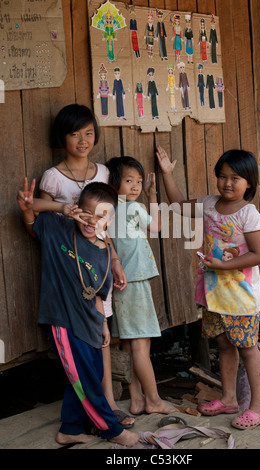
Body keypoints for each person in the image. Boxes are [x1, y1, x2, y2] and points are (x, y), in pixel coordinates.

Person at [16, 178, 139, 447]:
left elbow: (97, 295)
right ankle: (111, 430)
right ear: (77, 208)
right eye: (88, 213)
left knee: (90, 374)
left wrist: (103, 325)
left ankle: (70, 428)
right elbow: (31, 209)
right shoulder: (58, 227)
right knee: (85, 379)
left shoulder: (104, 252)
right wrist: (61, 208)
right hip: (63, 321)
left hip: (89, 323)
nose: (93, 221)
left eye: (102, 217)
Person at [156, 146, 260, 431]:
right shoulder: (208, 204)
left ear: (249, 183)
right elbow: (179, 206)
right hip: (215, 293)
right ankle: (228, 399)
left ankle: (257, 408)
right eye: (223, 176)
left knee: (248, 349)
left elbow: (259, 255)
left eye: (236, 178)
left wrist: (222, 266)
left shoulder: (249, 214)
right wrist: (168, 174)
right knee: (224, 345)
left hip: (242, 297)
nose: (227, 183)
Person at [39, 104, 134, 429]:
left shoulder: (104, 174)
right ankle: (92, 413)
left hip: (100, 267)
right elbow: (38, 221)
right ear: (62, 137)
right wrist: (65, 209)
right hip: (71, 271)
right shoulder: (53, 177)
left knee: (102, 332)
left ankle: (107, 402)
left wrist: (116, 261)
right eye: (75, 133)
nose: (83, 140)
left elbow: (108, 226)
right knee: (80, 344)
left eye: (89, 133)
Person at [105, 156, 177, 416]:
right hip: (134, 281)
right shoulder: (132, 207)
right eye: (128, 180)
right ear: (114, 183)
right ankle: (154, 400)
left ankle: (136, 400)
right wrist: (153, 195)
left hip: (120, 281)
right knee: (140, 346)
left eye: (138, 181)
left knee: (128, 343)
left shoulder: (107, 209)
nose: (135, 186)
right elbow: (157, 226)